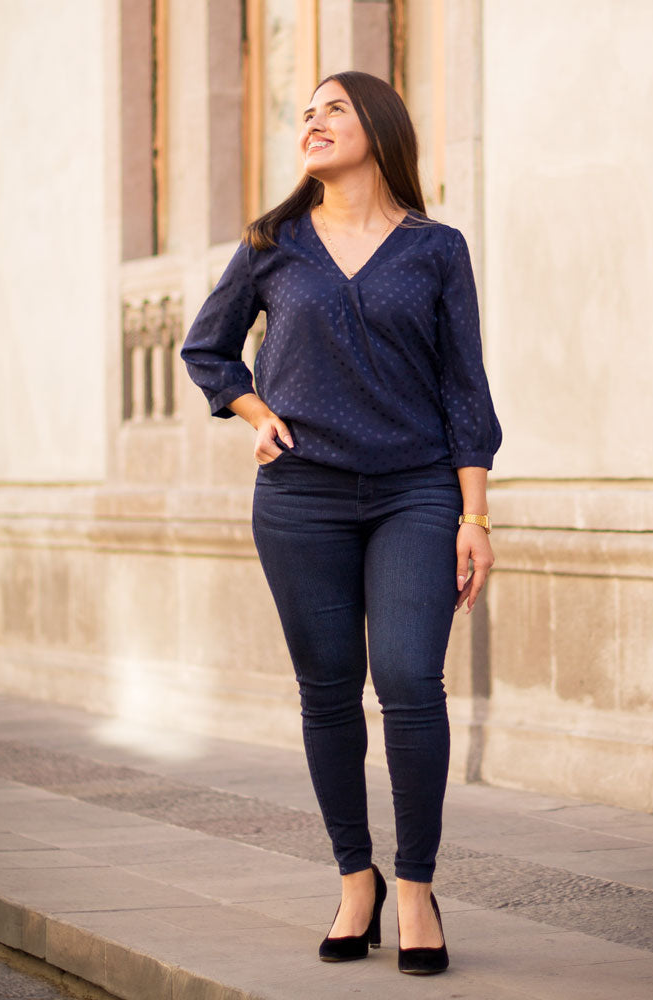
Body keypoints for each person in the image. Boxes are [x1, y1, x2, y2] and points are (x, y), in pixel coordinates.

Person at [181, 70, 501, 976]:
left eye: (335, 108)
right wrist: (252, 410)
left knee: (409, 680)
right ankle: (354, 879)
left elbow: (464, 389)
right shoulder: (273, 243)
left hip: (417, 492)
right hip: (302, 496)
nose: (313, 122)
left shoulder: (437, 249)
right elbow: (208, 347)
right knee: (327, 690)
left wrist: (475, 514)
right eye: (307, 112)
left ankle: (414, 888)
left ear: (380, 128)